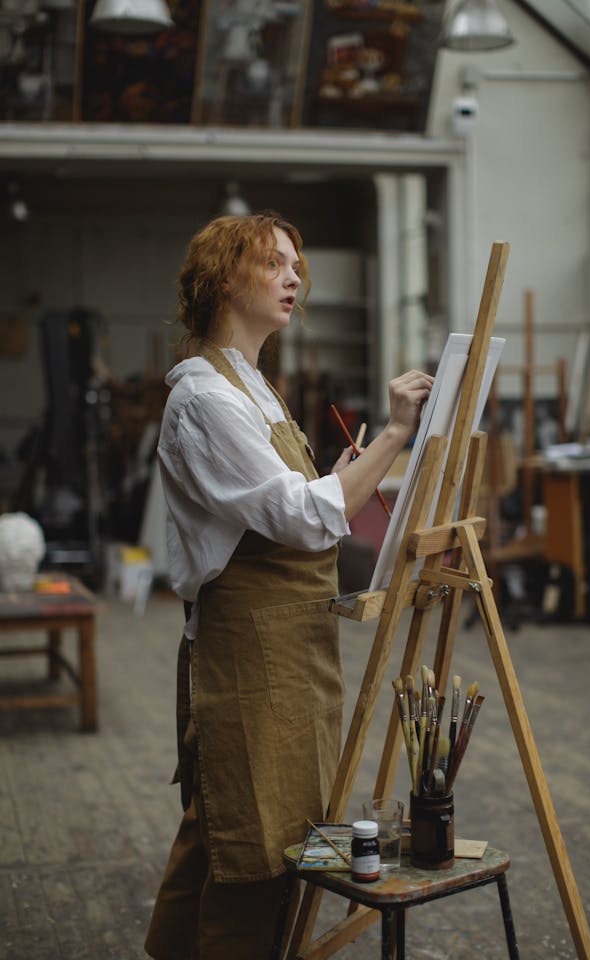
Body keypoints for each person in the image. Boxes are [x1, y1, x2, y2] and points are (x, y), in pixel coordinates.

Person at [144, 211, 433, 960]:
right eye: (273, 263)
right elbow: (302, 517)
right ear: (222, 279)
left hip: (291, 644)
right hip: (248, 650)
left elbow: (291, 503)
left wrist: (338, 477)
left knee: (240, 826)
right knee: (250, 841)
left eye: (294, 264)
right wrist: (397, 434)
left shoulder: (254, 389)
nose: (293, 277)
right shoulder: (206, 399)